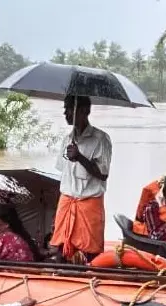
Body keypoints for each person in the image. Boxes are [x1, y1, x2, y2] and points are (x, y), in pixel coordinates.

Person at [50, 95, 112, 264]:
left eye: (69, 108)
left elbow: (103, 174)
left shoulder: (101, 139)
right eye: (65, 109)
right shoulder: (67, 140)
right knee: (61, 249)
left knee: (91, 252)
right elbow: (64, 174)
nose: (65, 113)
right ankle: (61, 280)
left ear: (84, 111)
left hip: (89, 202)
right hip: (67, 201)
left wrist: (80, 158)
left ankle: (91, 280)